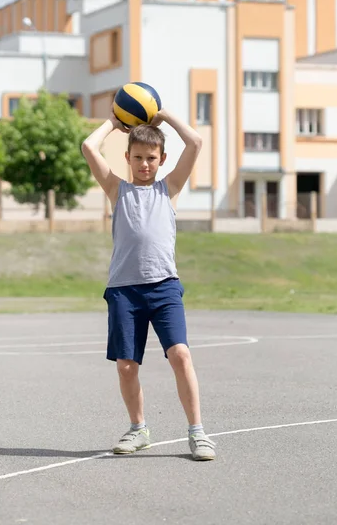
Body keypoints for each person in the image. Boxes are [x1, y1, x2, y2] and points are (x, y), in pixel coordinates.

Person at [81, 107, 216, 461]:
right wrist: (115, 122)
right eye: (138, 157)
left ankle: (197, 433)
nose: (144, 164)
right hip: (124, 290)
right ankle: (138, 429)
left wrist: (165, 116)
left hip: (164, 287)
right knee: (127, 365)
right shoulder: (116, 189)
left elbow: (196, 141)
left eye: (151, 158)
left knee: (181, 355)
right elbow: (87, 146)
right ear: (127, 158)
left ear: (162, 159)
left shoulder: (168, 188)